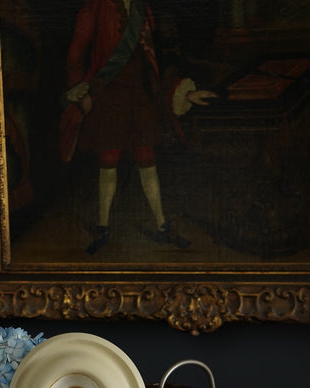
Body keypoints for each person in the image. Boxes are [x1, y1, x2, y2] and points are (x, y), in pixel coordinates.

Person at [61, 0, 216, 254]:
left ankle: (162, 225)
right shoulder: (97, 5)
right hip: (110, 93)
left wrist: (185, 93)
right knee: (109, 159)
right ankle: (103, 228)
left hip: (142, 94)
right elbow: (76, 51)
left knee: (147, 158)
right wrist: (79, 89)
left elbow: (156, 61)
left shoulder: (143, 7)